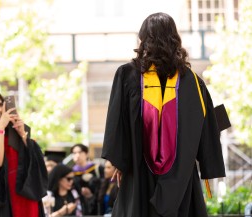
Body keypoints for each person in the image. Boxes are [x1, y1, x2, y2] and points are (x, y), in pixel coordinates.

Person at [102, 12, 226, 217]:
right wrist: (208, 162)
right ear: (174, 40)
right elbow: (207, 127)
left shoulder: (127, 75)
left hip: (139, 174)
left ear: (143, 40)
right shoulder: (193, 82)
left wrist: (118, 160)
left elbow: (117, 122)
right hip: (181, 177)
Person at [0, 89, 48, 217]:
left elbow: (33, 162)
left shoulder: (14, 131)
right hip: (7, 197)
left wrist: (22, 135)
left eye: (1, 104)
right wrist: (0, 127)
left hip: (26, 191)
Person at [71, 143, 103, 215]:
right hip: (80, 207)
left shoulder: (97, 168)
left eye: (80, 152)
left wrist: (93, 179)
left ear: (86, 153)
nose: (77, 155)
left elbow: (104, 185)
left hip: (97, 206)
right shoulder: (71, 172)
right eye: (74, 153)